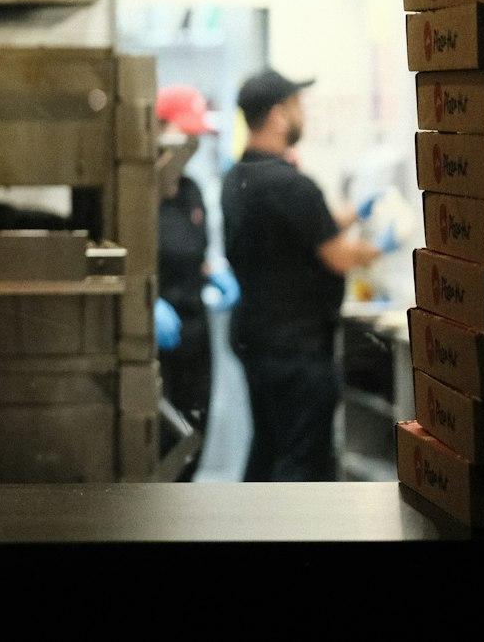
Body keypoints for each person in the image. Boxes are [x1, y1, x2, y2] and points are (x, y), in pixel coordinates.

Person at [222, 69, 394, 482]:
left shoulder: (239, 177)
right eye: (299, 107)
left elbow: (307, 229)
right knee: (303, 459)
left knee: (267, 448)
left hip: (257, 336)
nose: (304, 117)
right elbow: (337, 256)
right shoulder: (292, 185)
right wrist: (389, 242)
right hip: (297, 348)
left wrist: (356, 212)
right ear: (280, 115)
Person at [152, 85, 216, 481]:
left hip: (195, 330)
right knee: (162, 443)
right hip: (156, 336)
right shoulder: (141, 194)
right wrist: (149, 305)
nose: (190, 145)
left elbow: (195, 252)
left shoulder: (191, 191)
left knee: (196, 432)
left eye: (196, 138)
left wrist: (214, 269)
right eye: (183, 135)